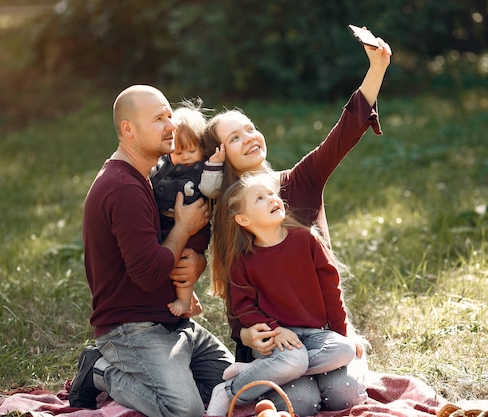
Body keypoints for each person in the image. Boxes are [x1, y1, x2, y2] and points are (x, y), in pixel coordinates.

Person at [202, 35, 392, 415]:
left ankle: (328, 365)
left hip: (322, 332)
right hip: (273, 342)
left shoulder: (298, 182)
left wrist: (377, 69)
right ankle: (255, 380)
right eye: (234, 138)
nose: (249, 138)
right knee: (301, 401)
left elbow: (342, 136)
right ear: (221, 155)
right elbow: (237, 294)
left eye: (250, 128)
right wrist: (246, 333)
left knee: (344, 396)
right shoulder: (228, 214)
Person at [68, 85, 234, 417]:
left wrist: (197, 259)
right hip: (131, 327)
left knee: (237, 387)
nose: (171, 126)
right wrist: (184, 228)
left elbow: (165, 252)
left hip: (172, 321)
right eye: (159, 119)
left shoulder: (148, 176)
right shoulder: (123, 188)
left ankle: (175, 371)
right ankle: (100, 370)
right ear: (128, 129)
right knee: (184, 411)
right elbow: (149, 273)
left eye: (170, 116)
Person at [205, 173, 362, 416]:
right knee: (301, 403)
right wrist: (273, 328)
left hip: (316, 338)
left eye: (271, 194)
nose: (271, 199)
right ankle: (228, 390)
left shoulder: (306, 240)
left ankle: (260, 370)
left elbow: (331, 290)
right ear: (244, 219)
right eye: (260, 197)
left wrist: (342, 332)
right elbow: (244, 308)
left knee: (344, 355)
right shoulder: (243, 261)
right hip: (278, 341)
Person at [149, 102, 225, 316]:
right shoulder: (163, 164)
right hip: (166, 222)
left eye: (192, 150)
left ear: (202, 148)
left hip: (195, 228)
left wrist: (215, 166)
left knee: (183, 259)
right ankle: (187, 298)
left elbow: (211, 191)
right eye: (178, 151)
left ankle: (185, 300)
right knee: (167, 259)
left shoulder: (203, 169)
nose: (186, 157)